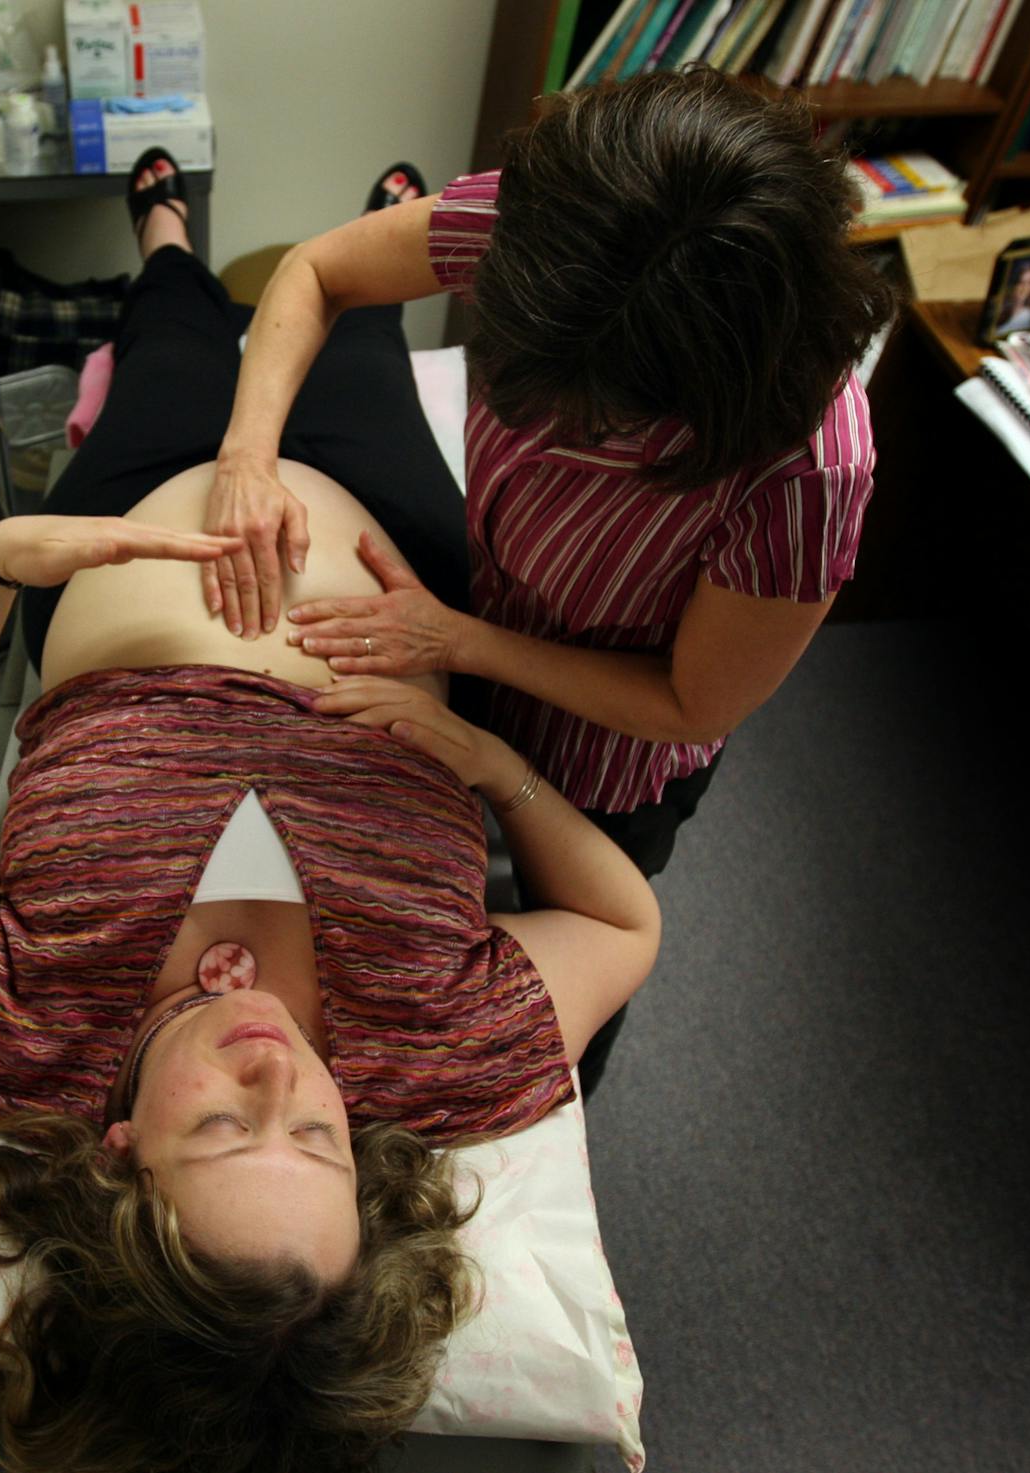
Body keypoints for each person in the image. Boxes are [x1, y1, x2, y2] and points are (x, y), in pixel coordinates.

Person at [0, 153, 660, 1473]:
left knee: (167, 315)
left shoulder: (4, 1027)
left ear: (119, 1156)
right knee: (357, 332)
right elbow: (624, 921)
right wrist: (480, 759)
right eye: (323, 1142)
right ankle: (391, 204)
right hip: (386, 543)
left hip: (134, 522)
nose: (284, 1071)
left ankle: (163, 220)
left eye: (223, 1122)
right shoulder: (443, 1054)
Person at [204, 68, 897, 1093]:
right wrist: (244, 459)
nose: (535, 437)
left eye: (586, 430)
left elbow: (687, 698)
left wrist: (459, 645)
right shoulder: (554, 227)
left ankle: (569, 1100)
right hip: (477, 602)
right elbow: (319, 274)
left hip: (612, 740)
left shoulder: (808, 471)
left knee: (564, 963)